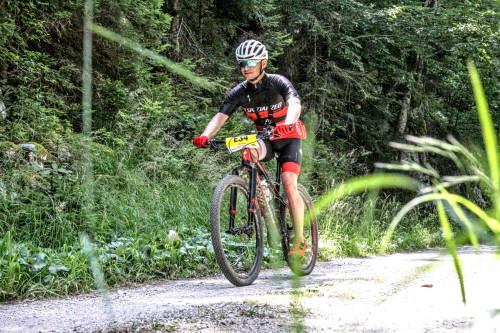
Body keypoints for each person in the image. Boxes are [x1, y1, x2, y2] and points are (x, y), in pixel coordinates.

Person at [193, 39, 307, 256]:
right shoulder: (239, 92)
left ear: (263, 63)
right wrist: (205, 136)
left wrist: (288, 123)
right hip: (265, 138)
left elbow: (294, 103)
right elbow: (221, 116)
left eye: (251, 62)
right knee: (247, 152)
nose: (246, 67)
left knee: (288, 183)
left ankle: (299, 240)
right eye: (242, 63)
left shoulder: (278, 82)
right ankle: (261, 195)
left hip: (288, 137)